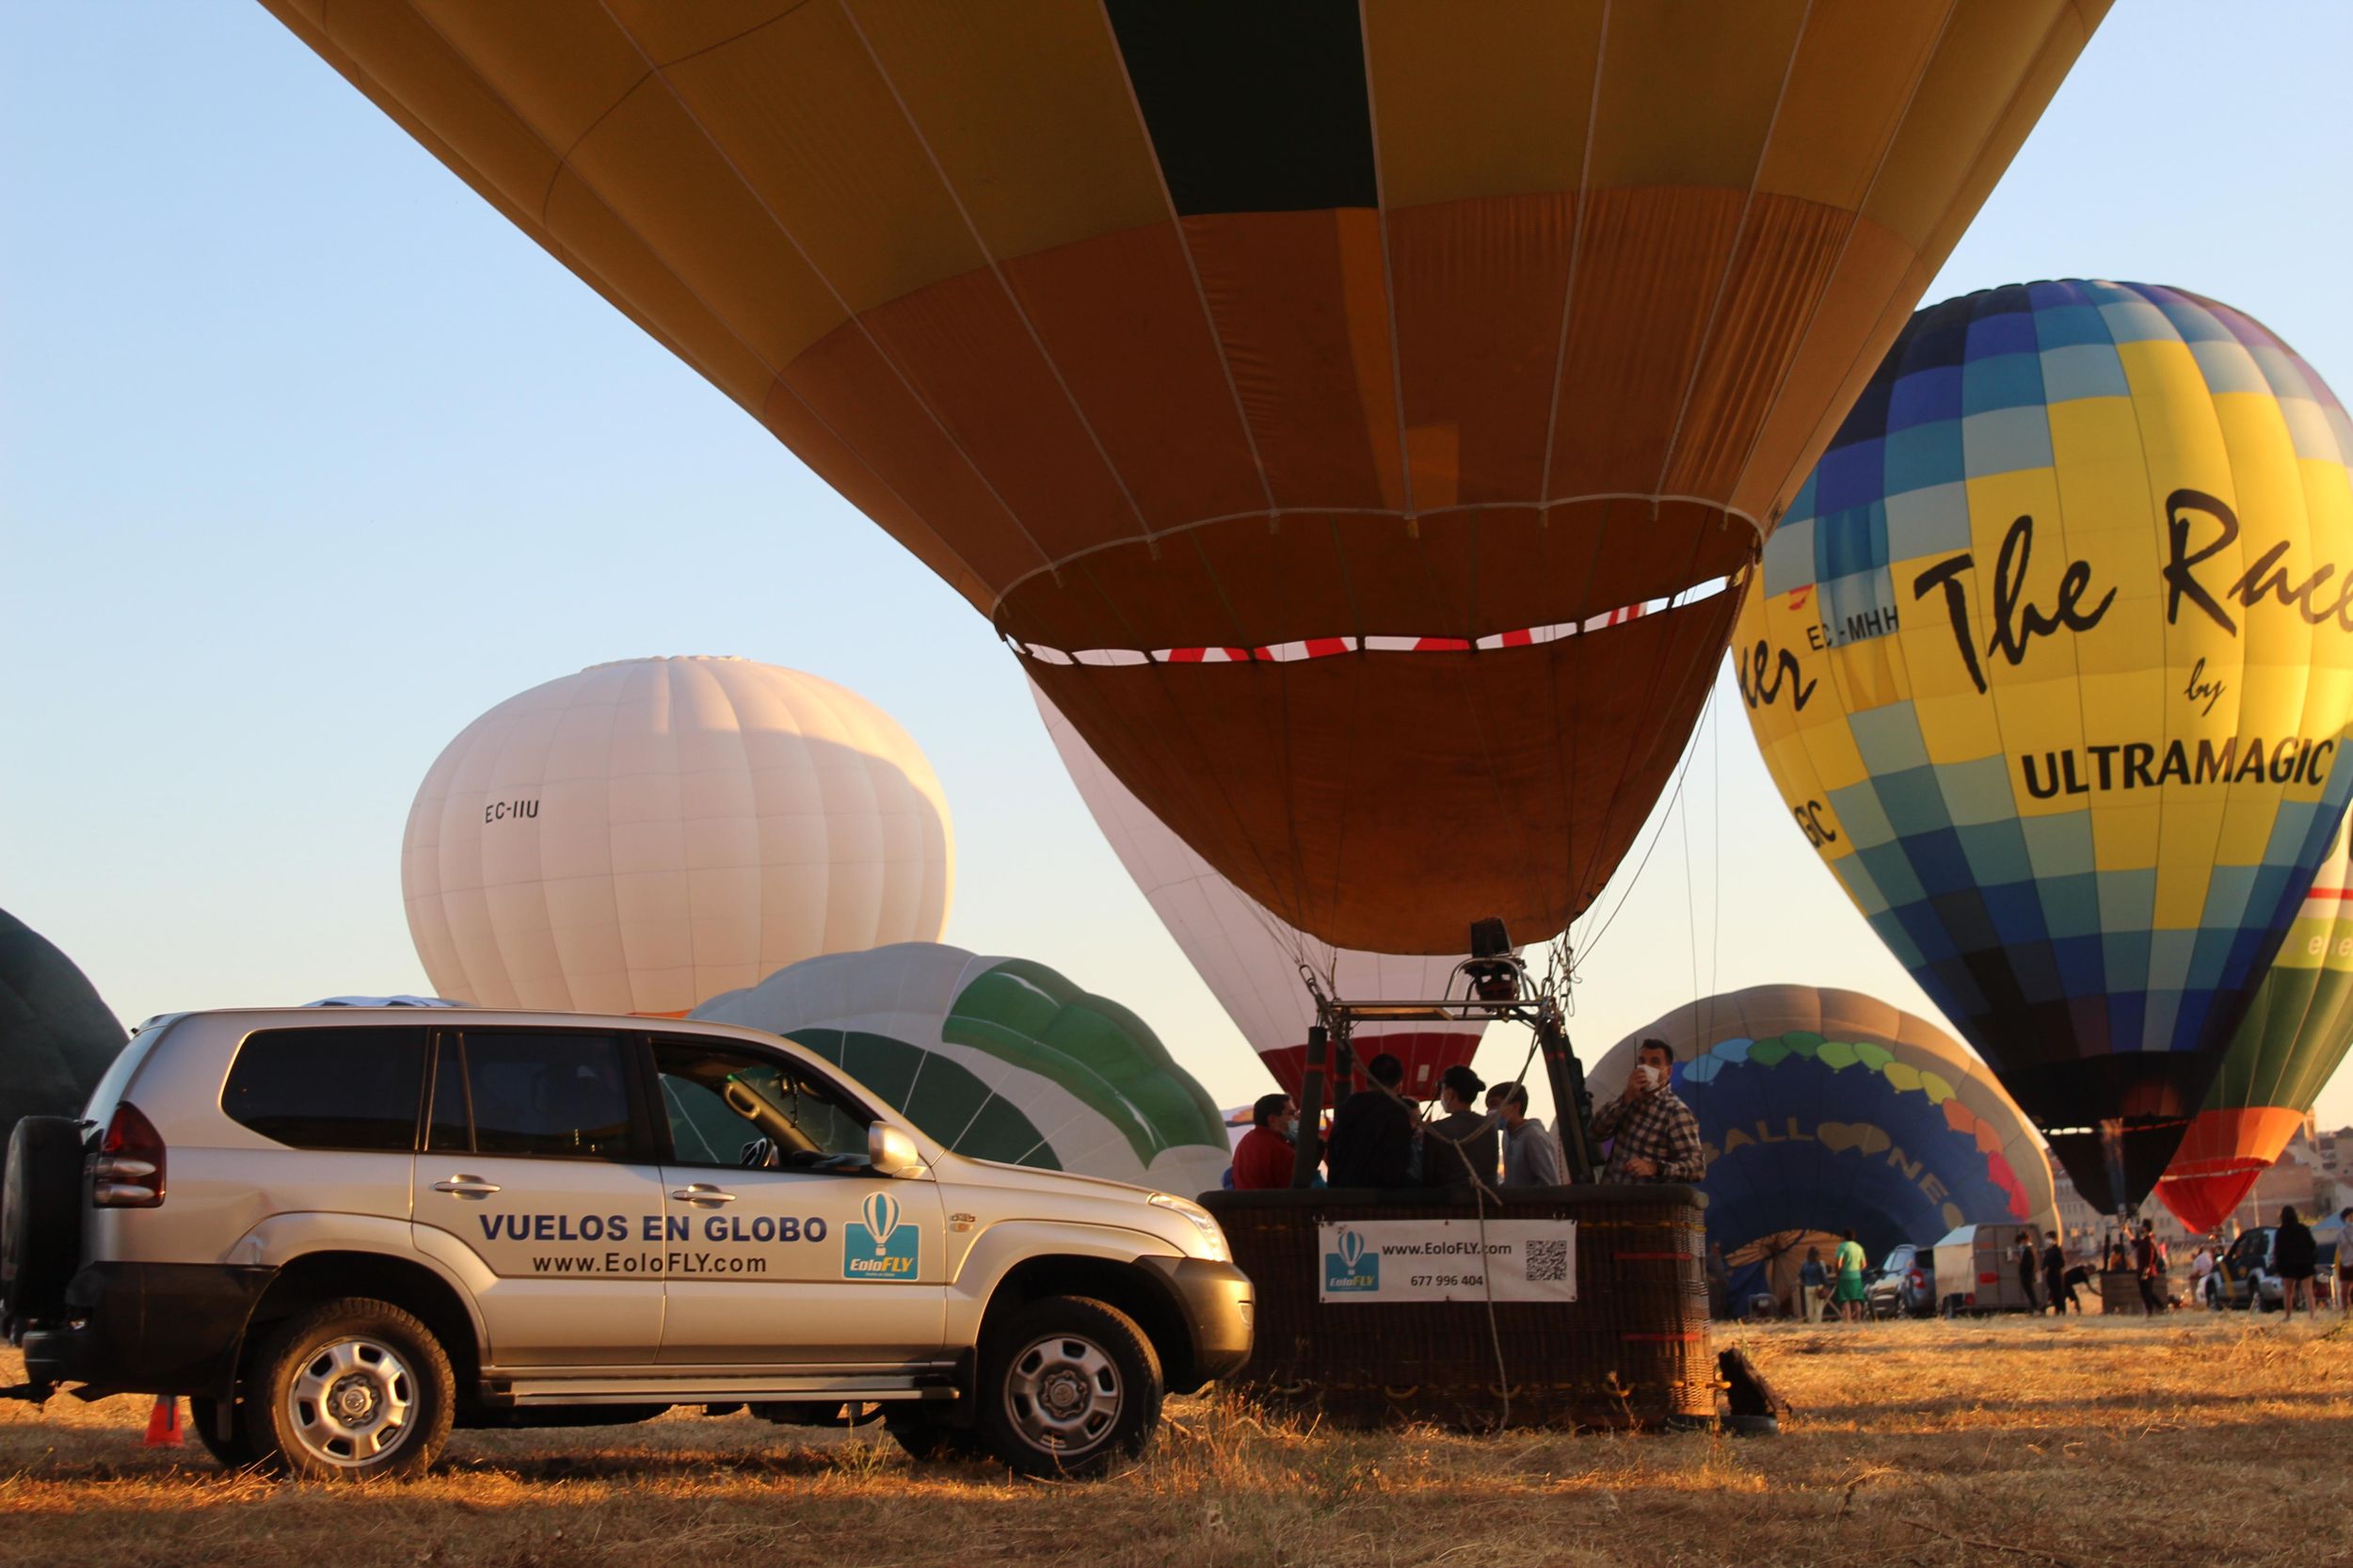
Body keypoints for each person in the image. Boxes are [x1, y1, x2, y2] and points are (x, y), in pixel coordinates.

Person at [1591, 1037, 1704, 1184]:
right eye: (1642, 1061)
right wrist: (1625, 1099)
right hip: (1611, 1201)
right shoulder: (1628, 1101)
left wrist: (1655, 1168)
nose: (1646, 1067)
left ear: (1668, 1071)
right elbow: (1595, 1132)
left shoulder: (1675, 1112)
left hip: (1647, 1203)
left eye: (1655, 1062)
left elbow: (1696, 1168)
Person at [1325, 1052, 1417, 1188]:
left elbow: (1332, 1150)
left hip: (1340, 1195)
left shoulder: (1349, 1105)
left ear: (1367, 1080)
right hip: (1375, 1200)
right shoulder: (1397, 1112)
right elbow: (1396, 1165)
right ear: (1399, 1086)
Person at [1421, 1064, 1502, 1191]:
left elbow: (1428, 1179)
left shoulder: (1436, 1130)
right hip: (1487, 1203)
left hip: (1450, 1205)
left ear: (1449, 1093)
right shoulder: (1489, 1126)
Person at [1487, 1080, 1563, 1187]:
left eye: (1494, 1104)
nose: (1489, 1111)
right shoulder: (1507, 1136)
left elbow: (1549, 1183)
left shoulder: (1534, 1136)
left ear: (1515, 1106)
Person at [1229, 1092, 1301, 1192]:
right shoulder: (1281, 1150)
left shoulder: (1246, 1141)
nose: (1297, 1119)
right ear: (1272, 1119)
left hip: (1248, 1205)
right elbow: (1296, 1194)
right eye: (1291, 1114)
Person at [2275, 1205, 2318, 1320]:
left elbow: (2278, 1251)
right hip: (2305, 1263)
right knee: (2308, 1291)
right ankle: (2312, 1316)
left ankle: (2288, 1316)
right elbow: (2312, 1245)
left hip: (2287, 1265)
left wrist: (2278, 1267)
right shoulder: (2303, 1229)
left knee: (2288, 1292)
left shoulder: (2281, 1232)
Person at [1832, 1229, 1869, 1323]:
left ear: (1844, 1237)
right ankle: (1858, 1319)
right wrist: (1857, 1270)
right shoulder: (1859, 1247)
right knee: (1856, 1298)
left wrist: (1837, 1273)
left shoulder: (1842, 1246)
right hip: (1856, 1276)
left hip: (1844, 1276)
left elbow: (1838, 1262)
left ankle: (1848, 1320)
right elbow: (1864, 1264)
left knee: (1845, 1298)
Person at [2134, 1221, 2167, 1315]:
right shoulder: (2147, 1240)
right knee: (2147, 1292)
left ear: (2145, 1228)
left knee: (2146, 1293)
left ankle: (2152, 1310)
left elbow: (2151, 1256)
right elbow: (2135, 1243)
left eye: (2142, 1226)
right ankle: (2158, 1309)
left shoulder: (2149, 1240)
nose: (2141, 1228)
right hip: (2147, 1270)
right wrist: (2127, 1232)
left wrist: (2146, 1270)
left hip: (2147, 1270)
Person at [2041, 1231, 2073, 1315]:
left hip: (2057, 1274)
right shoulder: (2048, 1250)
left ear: (2053, 1239)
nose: (2047, 1240)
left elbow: (2062, 1263)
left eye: (2048, 1238)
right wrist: (2043, 1269)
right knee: (2053, 1293)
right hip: (2049, 1275)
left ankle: (2062, 1310)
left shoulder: (2057, 1249)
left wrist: (2050, 1267)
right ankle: (2057, 1309)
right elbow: (2044, 1262)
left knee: (2059, 1293)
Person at [1799, 1246, 1829, 1323]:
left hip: (1808, 1286)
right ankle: (1817, 1322)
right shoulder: (1819, 1264)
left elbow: (1801, 1274)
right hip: (1818, 1286)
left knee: (1810, 1306)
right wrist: (1826, 1286)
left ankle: (1810, 1322)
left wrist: (1805, 1282)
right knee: (1818, 1307)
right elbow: (1823, 1277)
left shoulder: (1804, 1263)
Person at [2015, 1227, 2041, 1311]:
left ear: (2023, 1240)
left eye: (2020, 1242)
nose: (2020, 1244)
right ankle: (2034, 1307)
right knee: (2030, 1292)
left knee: (2031, 1293)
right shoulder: (2029, 1249)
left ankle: (2035, 1308)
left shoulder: (2028, 1250)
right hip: (2028, 1274)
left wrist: (2018, 1261)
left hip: (2028, 1275)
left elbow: (2026, 1264)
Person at [2337, 1208, 2353, 1317]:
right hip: (2345, 1264)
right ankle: (2346, 1314)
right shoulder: (2341, 1233)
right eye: (2350, 1216)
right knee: (2344, 1292)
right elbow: (2341, 1248)